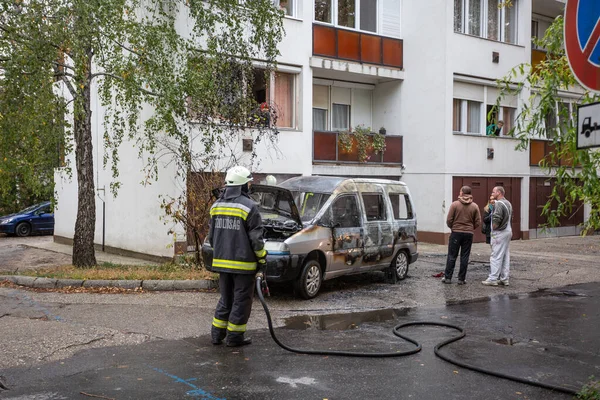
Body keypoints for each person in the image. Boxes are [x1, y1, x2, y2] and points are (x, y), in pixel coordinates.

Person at [208, 165, 267, 347]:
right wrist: (262, 260)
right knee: (241, 301)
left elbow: (211, 238)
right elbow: (256, 240)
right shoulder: (249, 207)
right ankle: (234, 338)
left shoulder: (216, 206)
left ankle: (217, 335)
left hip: (221, 263)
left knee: (226, 299)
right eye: (248, 183)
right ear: (242, 186)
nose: (250, 186)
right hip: (243, 265)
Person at [442, 186, 481, 285]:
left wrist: (452, 227)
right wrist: (471, 228)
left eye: (460, 191)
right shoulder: (475, 206)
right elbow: (478, 222)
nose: (459, 192)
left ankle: (448, 278)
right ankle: (461, 279)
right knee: (465, 256)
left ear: (462, 193)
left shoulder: (455, 205)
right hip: (468, 234)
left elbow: (449, 220)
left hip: (456, 233)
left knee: (452, 255)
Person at [482, 186, 513, 287]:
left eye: (493, 192)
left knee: (496, 256)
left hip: (500, 232)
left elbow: (497, 217)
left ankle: (493, 278)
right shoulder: (508, 203)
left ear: (499, 192)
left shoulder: (498, 204)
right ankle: (504, 278)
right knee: (505, 255)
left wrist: (494, 228)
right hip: (508, 231)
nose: (492, 193)